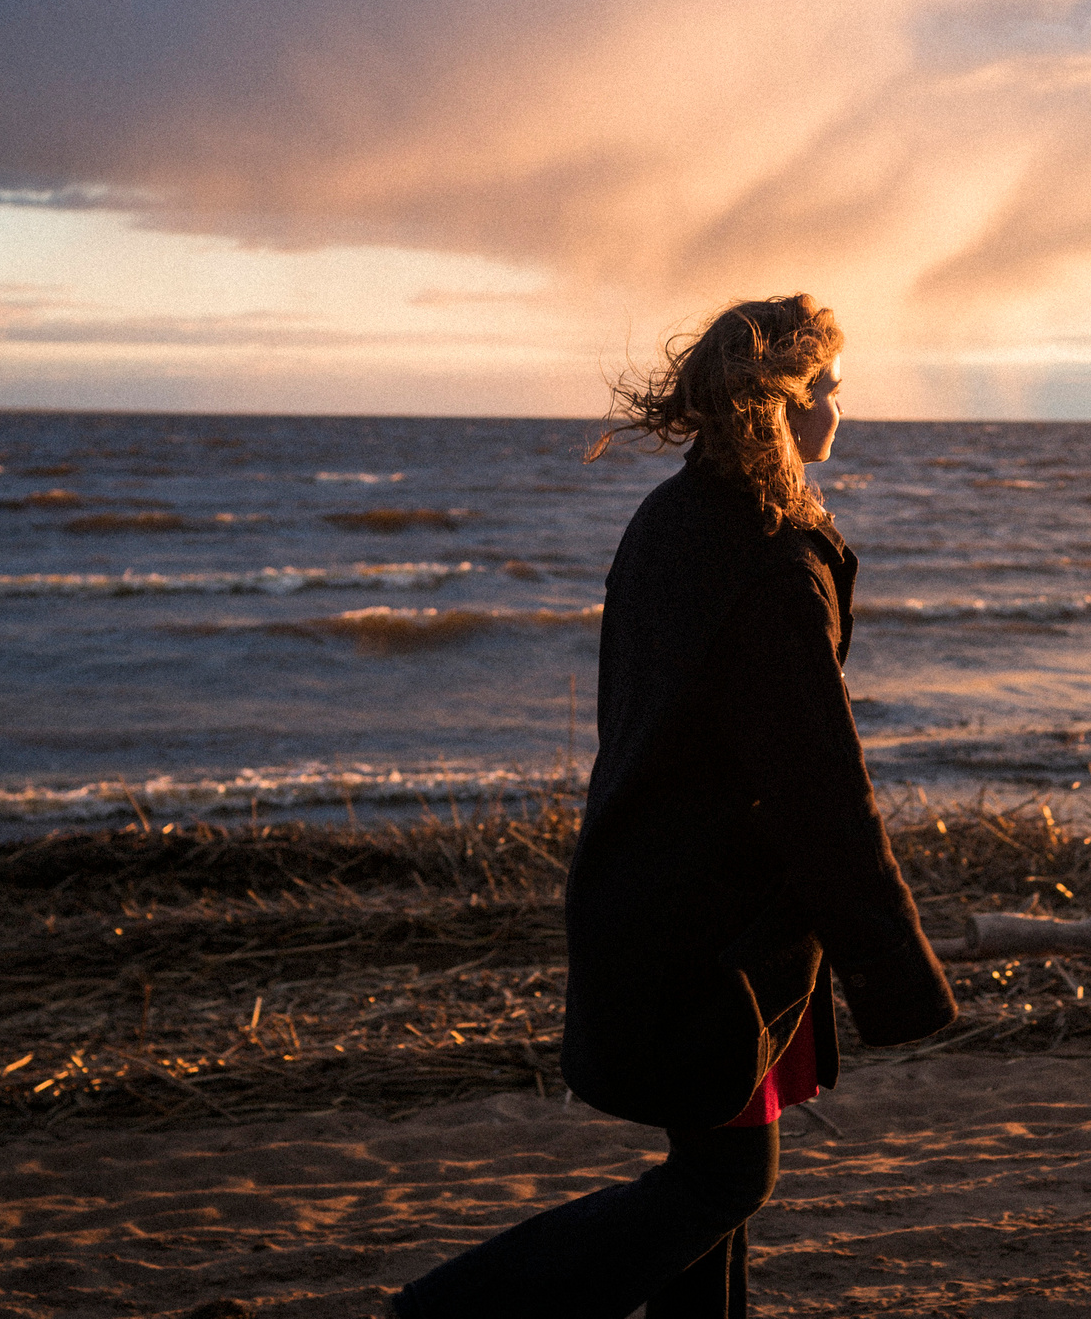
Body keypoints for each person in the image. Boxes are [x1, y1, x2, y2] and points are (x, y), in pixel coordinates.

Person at [391, 294, 958, 1319]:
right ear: (780, 404)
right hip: (711, 929)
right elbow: (820, 788)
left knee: (714, 1178)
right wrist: (897, 973)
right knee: (725, 1181)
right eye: (825, 388)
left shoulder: (675, 516)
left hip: (653, 892)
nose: (840, 408)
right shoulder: (770, 559)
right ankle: (449, 1312)